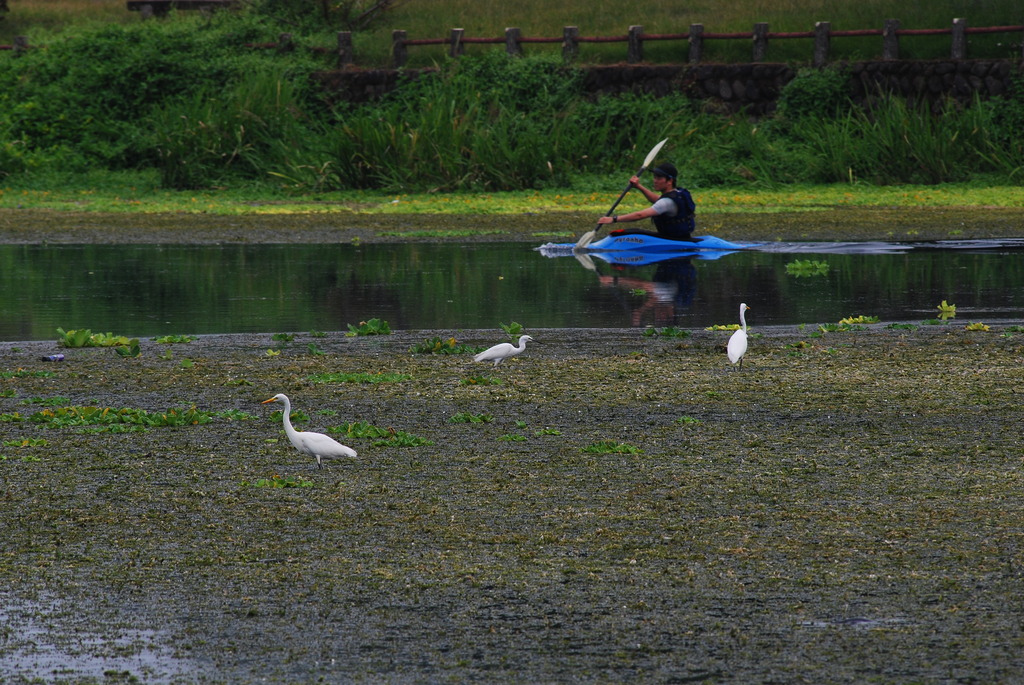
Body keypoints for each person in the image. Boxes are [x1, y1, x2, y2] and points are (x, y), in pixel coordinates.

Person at [596, 162, 696, 241]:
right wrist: (639, 186)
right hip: (681, 236)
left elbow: (640, 215)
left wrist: (614, 219)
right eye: (655, 177)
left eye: (659, 178)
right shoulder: (677, 194)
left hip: (672, 238)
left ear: (670, 181)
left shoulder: (666, 202)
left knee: (622, 234)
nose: (655, 180)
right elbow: (658, 200)